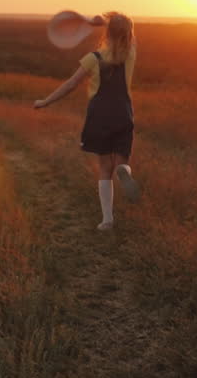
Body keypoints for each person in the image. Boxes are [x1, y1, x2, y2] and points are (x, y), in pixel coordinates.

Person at [33, 12, 141, 230]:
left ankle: (107, 219)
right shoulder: (130, 53)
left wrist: (46, 101)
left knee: (104, 167)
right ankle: (125, 173)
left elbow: (70, 84)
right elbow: (124, 31)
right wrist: (108, 22)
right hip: (123, 113)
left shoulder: (94, 58)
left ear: (107, 33)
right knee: (122, 161)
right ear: (129, 35)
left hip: (100, 116)